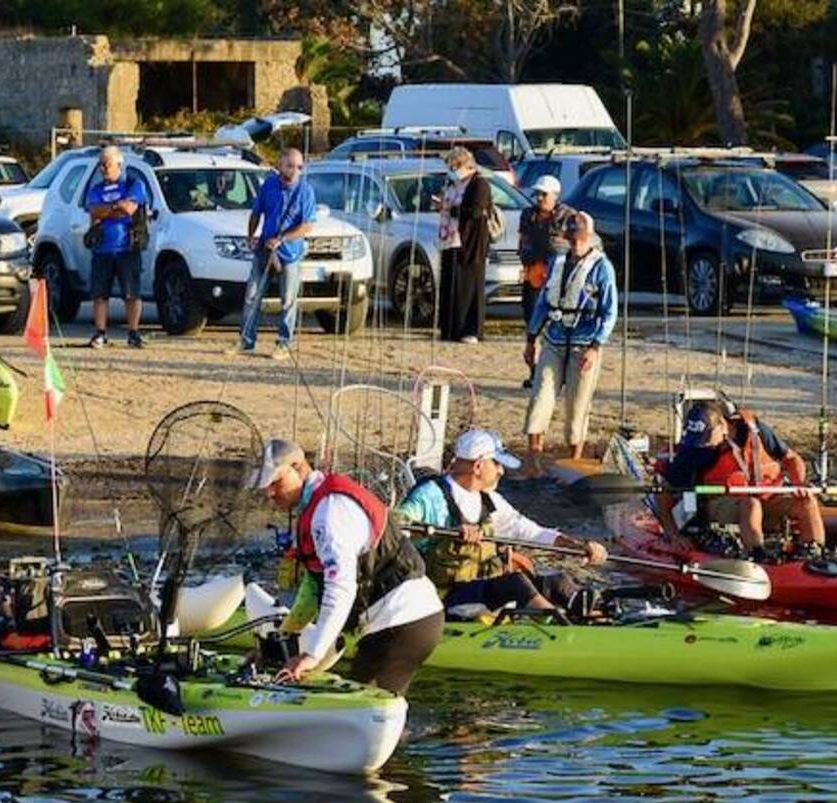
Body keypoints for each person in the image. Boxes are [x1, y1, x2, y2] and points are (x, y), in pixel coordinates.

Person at [249, 438, 443, 694]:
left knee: (368, 713)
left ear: (298, 467)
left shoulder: (329, 513)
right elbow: (312, 588)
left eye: (276, 482)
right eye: (265, 486)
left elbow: (339, 588)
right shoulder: (316, 507)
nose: (270, 493)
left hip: (403, 620)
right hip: (404, 621)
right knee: (369, 708)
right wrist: (275, 641)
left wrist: (313, 655)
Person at [395, 429, 608, 613]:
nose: (501, 471)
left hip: (480, 589)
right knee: (515, 583)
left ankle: (594, 617)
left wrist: (577, 546)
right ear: (478, 466)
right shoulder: (430, 495)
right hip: (442, 598)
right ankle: (558, 631)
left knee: (556, 581)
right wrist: (451, 531)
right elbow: (396, 528)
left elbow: (531, 532)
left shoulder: (488, 499)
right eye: (496, 463)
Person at [655, 401, 827, 555]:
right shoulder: (693, 449)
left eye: (706, 438)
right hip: (723, 505)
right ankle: (757, 554)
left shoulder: (756, 430)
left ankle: (814, 554)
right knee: (750, 504)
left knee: (807, 502)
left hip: (767, 499)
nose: (702, 444)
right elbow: (665, 492)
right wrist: (673, 535)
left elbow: (791, 459)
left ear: (722, 425)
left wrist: (799, 485)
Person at [522, 212, 618, 467]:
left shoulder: (602, 268)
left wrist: (596, 346)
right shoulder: (557, 262)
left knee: (578, 405)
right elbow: (543, 302)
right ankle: (534, 457)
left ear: (590, 238)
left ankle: (574, 460)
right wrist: (531, 338)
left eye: (581, 237)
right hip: (554, 339)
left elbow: (610, 311)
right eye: (572, 237)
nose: (576, 242)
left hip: (584, 344)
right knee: (541, 395)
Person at [238, 148, 318, 359]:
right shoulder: (269, 185)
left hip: (290, 252)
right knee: (252, 295)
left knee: (288, 300)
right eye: (290, 165)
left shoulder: (305, 191)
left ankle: (284, 343)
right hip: (264, 248)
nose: (295, 170)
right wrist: (250, 236)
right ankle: (246, 341)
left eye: (299, 166)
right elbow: (256, 212)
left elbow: (307, 225)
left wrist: (282, 239)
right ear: (280, 165)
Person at [82, 146, 149, 349]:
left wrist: (108, 210)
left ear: (118, 164)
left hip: (127, 246)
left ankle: (133, 332)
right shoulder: (96, 189)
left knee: (131, 292)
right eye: (101, 164)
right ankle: (100, 333)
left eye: (107, 164)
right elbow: (93, 211)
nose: (103, 168)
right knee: (100, 294)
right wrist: (115, 208)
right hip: (102, 248)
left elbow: (130, 209)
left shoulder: (133, 184)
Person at [435, 147, 495, 343]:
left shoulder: (479, 184)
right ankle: (450, 328)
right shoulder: (455, 184)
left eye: (454, 166)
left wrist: (450, 209)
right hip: (450, 241)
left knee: (469, 286)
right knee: (451, 285)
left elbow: (475, 212)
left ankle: (470, 330)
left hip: (470, 243)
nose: (452, 171)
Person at [517, 174, 574, 320]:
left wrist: (561, 246)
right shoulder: (528, 215)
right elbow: (523, 243)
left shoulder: (568, 216)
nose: (540, 198)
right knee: (530, 313)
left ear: (556, 195)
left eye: (544, 194)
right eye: (537, 194)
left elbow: (578, 244)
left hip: (557, 277)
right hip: (533, 275)